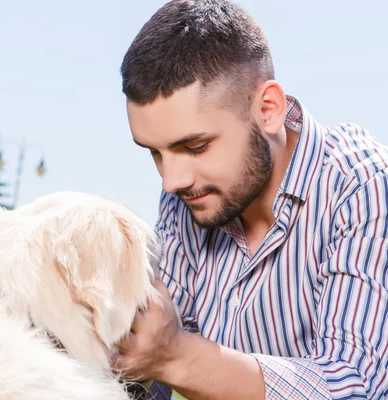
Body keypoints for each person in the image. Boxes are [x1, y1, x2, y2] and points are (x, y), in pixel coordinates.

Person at [112, 0, 388, 399]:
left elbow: (356, 386)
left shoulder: (364, 189)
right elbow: (144, 370)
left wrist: (176, 357)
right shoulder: (190, 195)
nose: (171, 180)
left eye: (195, 146)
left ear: (268, 109)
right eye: (154, 152)